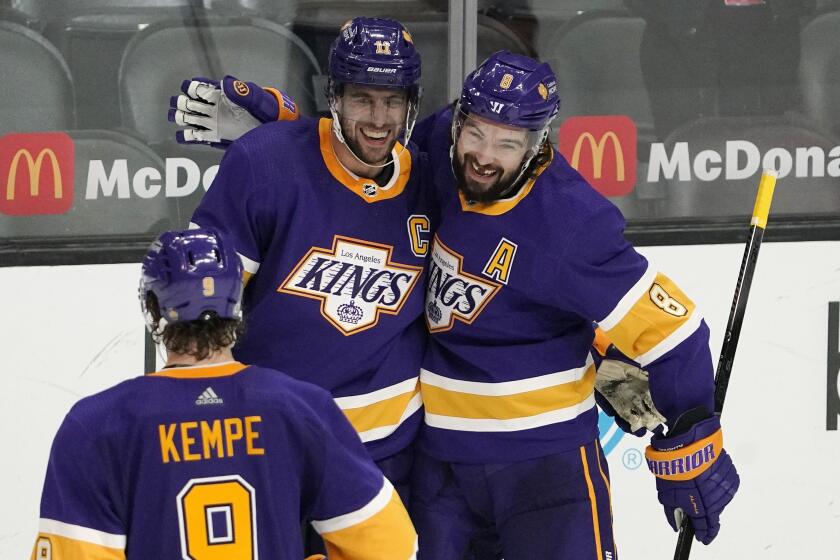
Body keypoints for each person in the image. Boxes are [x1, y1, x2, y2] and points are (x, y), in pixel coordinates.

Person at [171, 51, 735, 558]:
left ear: (540, 143)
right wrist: (288, 133)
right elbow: (366, 143)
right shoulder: (441, 151)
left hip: (545, 466)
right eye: (477, 134)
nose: (485, 157)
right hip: (439, 464)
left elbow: (677, 336)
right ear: (457, 120)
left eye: (508, 144)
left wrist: (690, 445)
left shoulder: (570, 223)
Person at [30, 228, 418, 560]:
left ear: (153, 308)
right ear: (237, 305)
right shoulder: (301, 408)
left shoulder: (96, 425)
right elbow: (393, 546)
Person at [181, 17, 435, 523]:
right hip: (276, 446)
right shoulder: (266, 163)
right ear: (334, 96)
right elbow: (198, 303)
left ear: (412, 104)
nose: (378, 119)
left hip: (389, 460)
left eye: (393, 101)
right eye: (363, 98)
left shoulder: (432, 182)